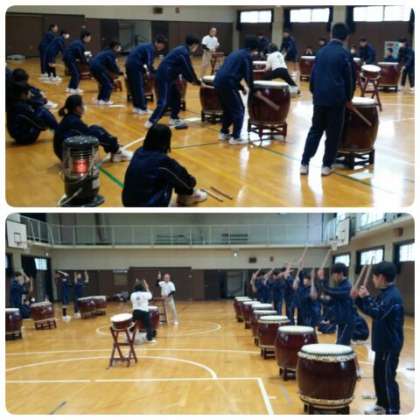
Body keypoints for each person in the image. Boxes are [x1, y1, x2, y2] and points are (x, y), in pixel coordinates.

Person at [300, 23, 355, 177]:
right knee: (333, 134)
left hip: (319, 99)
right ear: (346, 37)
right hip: (336, 100)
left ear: (331, 34)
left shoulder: (320, 52)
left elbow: (313, 75)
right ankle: (326, 165)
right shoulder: (345, 54)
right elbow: (349, 79)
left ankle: (304, 163)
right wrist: (348, 98)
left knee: (315, 130)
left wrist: (315, 92)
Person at [354, 261, 404, 415]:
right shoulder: (384, 293)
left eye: (374, 277)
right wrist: (359, 299)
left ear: (381, 277)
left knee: (388, 379)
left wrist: (367, 296)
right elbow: (370, 309)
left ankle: (392, 410)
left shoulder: (393, 296)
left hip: (390, 345)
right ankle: (381, 405)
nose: (373, 280)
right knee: (379, 377)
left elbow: (378, 313)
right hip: (382, 343)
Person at [122, 124, 207, 206]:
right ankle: (188, 196)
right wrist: (192, 182)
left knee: (167, 172)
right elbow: (182, 177)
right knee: (174, 174)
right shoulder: (161, 160)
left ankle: (185, 195)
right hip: (148, 206)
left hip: (127, 201)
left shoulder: (138, 151)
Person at [145, 35, 202, 129]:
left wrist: (193, 80)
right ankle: (151, 121)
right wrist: (195, 81)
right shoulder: (183, 52)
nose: (196, 48)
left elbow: (184, 69)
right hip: (164, 77)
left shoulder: (182, 49)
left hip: (169, 77)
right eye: (197, 46)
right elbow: (188, 68)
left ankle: (174, 118)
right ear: (193, 45)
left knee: (176, 97)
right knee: (163, 101)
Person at [54, 94, 132, 161]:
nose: (84, 107)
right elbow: (92, 135)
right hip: (67, 156)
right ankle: (117, 151)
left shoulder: (69, 118)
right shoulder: (74, 122)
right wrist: (111, 143)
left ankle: (115, 149)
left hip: (64, 153)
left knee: (94, 128)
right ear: (77, 108)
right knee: (96, 133)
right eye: (82, 104)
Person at [214, 35, 258, 144]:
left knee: (228, 109)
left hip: (218, 81)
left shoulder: (236, 53)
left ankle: (224, 133)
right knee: (239, 109)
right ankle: (236, 137)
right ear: (254, 48)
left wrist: (241, 87)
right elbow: (248, 75)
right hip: (228, 84)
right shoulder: (247, 56)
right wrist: (253, 89)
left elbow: (230, 72)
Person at [125, 34, 168, 114]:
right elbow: (148, 63)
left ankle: (137, 107)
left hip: (129, 65)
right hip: (135, 66)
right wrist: (154, 72)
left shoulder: (147, 46)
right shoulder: (150, 48)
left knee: (134, 87)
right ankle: (142, 108)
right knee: (139, 87)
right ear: (157, 43)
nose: (162, 47)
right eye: (162, 45)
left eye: (163, 46)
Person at [318, 262, 355, 345]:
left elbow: (330, 291)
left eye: (333, 274)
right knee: (341, 345)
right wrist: (318, 298)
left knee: (342, 346)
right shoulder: (340, 286)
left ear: (340, 273)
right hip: (341, 321)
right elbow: (330, 302)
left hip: (347, 322)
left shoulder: (347, 287)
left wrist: (322, 279)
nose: (332, 277)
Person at [90, 41, 123, 105]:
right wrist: (118, 71)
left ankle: (100, 99)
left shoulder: (106, 51)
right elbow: (112, 64)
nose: (120, 48)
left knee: (104, 83)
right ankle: (104, 100)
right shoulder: (111, 53)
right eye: (119, 47)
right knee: (108, 84)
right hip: (98, 68)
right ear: (115, 47)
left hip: (93, 67)